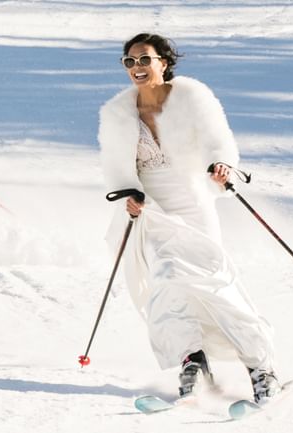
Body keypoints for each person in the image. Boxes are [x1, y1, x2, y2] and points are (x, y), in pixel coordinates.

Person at [98, 33, 279, 404]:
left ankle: (261, 368)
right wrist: (128, 194)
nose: (136, 68)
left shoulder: (194, 96)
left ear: (163, 62)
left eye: (144, 60)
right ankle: (192, 361)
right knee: (166, 280)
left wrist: (221, 164)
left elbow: (217, 140)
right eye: (129, 62)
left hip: (192, 200)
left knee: (212, 280)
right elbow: (116, 168)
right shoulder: (116, 113)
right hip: (152, 209)